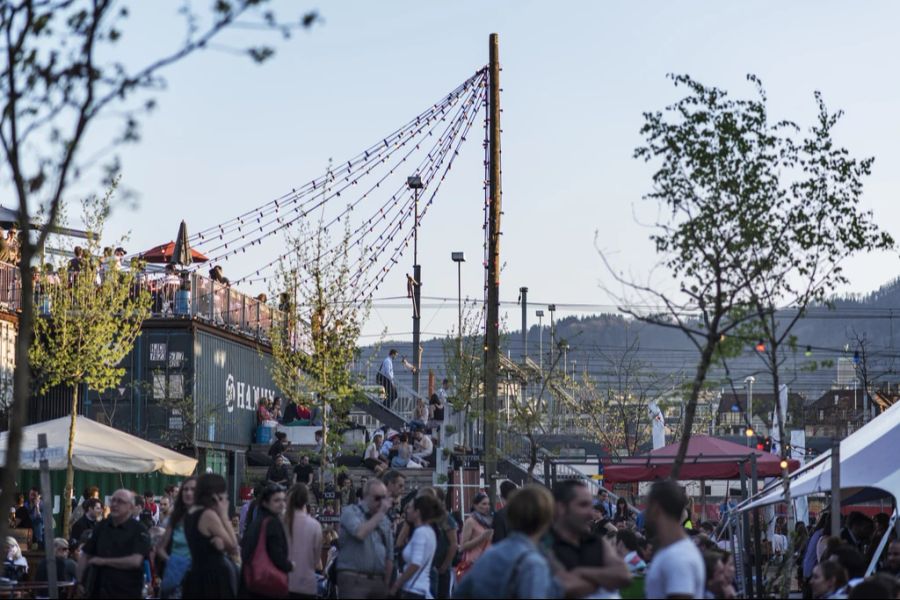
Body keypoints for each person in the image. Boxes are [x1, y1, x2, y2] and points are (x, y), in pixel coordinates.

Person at [452, 485, 563, 599]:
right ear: (546, 520)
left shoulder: (490, 556)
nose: (487, 507)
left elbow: (460, 594)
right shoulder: (534, 563)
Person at [547, 480, 632, 597]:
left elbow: (623, 575)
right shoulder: (545, 545)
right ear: (561, 507)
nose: (590, 513)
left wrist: (581, 572)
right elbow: (568, 587)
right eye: (583, 505)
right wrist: (604, 580)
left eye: (591, 506)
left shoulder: (597, 542)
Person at [77, 489, 152, 599]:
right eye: (113, 500)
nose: (115, 504)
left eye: (120, 501)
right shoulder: (101, 526)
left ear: (131, 507)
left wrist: (103, 561)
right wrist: (79, 582)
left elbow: (135, 561)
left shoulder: (139, 530)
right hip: (98, 590)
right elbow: (85, 555)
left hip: (126, 590)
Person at [643, 480, 705, 599]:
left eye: (647, 506)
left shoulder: (678, 557)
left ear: (656, 508)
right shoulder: (675, 550)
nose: (645, 513)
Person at [182, 474, 239, 599]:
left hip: (195, 576)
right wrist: (224, 515)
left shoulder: (190, 513)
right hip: (213, 577)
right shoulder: (208, 515)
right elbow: (234, 547)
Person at [336, 478, 394, 599]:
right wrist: (380, 514)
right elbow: (360, 533)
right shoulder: (351, 512)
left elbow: (389, 555)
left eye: (384, 498)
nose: (382, 502)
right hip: (354, 580)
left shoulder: (385, 521)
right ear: (366, 496)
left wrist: (386, 584)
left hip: (378, 581)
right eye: (378, 498)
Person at [240, 483, 292, 598]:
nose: (282, 504)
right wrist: (289, 566)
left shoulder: (257, 522)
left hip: (251, 581)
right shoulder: (272, 523)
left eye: (283, 500)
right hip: (268, 582)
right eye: (276, 500)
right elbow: (276, 554)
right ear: (265, 502)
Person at [391, 494, 444, 598]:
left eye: (410, 508)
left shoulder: (420, 533)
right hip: (420, 588)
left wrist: (397, 584)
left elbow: (416, 563)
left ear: (417, 512)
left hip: (413, 589)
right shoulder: (429, 531)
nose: (407, 510)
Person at [157, 477, 196, 599]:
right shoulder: (176, 517)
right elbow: (160, 549)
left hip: (198, 578)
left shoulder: (208, 516)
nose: (188, 492)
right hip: (177, 577)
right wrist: (173, 562)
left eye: (193, 489)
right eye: (185, 489)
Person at [286, 483, 322, 599]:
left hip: (286, 582)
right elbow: (316, 561)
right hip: (308, 584)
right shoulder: (315, 525)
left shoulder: (282, 523)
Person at [457, 492, 493, 578]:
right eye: (484, 504)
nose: (487, 507)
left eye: (488, 504)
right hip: (474, 563)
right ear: (475, 505)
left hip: (489, 563)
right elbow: (463, 546)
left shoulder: (490, 521)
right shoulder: (470, 521)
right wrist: (482, 537)